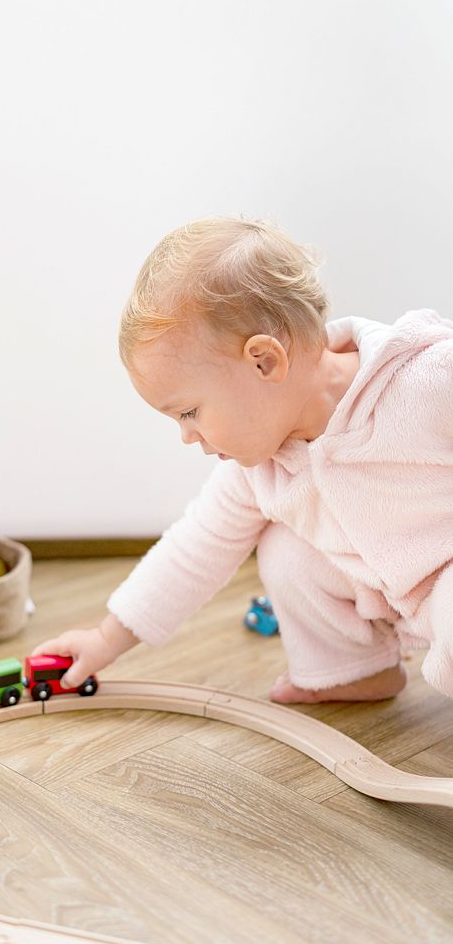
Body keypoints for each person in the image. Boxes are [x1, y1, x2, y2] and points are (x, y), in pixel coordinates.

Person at [32, 217, 453, 703]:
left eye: (189, 412)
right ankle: (350, 669)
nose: (187, 436)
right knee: (285, 552)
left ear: (264, 362)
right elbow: (196, 547)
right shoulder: (256, 469)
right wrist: (106, 638)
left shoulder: (424, 381)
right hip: (382, 587)